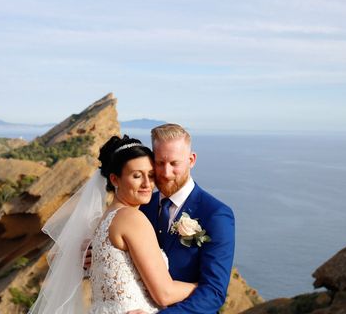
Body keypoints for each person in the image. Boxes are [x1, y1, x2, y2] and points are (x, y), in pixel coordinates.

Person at [29, 135, 196, 314]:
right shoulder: (132, 219)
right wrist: (203, 285)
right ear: (115, 179)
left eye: (151, 175)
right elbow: (164, 294)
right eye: (137, 176)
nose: (147, 184)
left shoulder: (104, 219)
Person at [139, 123, 235, 313]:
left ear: (191, 160)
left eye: (174, 163)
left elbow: (214, 292)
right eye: (159, 163)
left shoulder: (216, 214)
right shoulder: (142, 207)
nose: (166, 174)